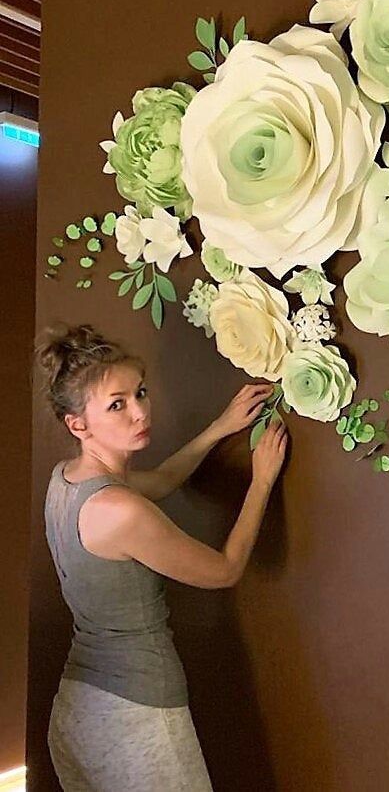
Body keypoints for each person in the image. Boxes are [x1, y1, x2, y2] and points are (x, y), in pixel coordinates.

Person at [34, 322, 287, 791]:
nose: (139, 412)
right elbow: (225, 570)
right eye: (117, 404)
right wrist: (262, 481)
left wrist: (220, 428)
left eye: (141, 392)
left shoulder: (67, 479)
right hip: (134, 715)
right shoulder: (119, 511)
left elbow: (166, 479)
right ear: (77, 424)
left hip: (76, 711)